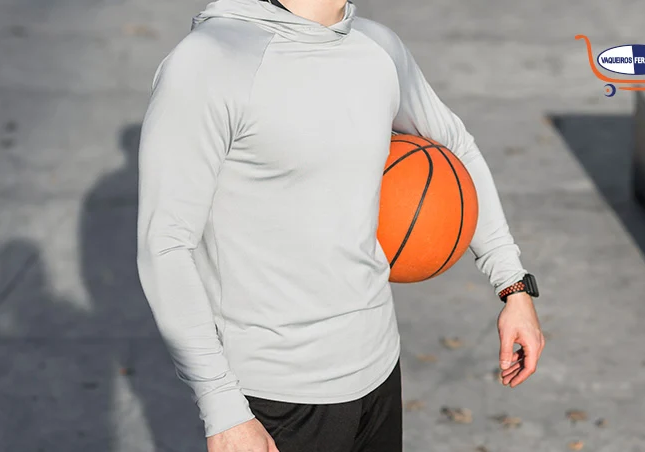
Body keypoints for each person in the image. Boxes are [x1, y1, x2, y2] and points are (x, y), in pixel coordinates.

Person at [136, 0, 545, 451]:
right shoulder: (211, 61)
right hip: (274, 393)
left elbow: (454, 147)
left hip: (378, 370)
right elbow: (166, 244)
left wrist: (513, 285)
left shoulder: (377, 46)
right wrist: (223, 409)